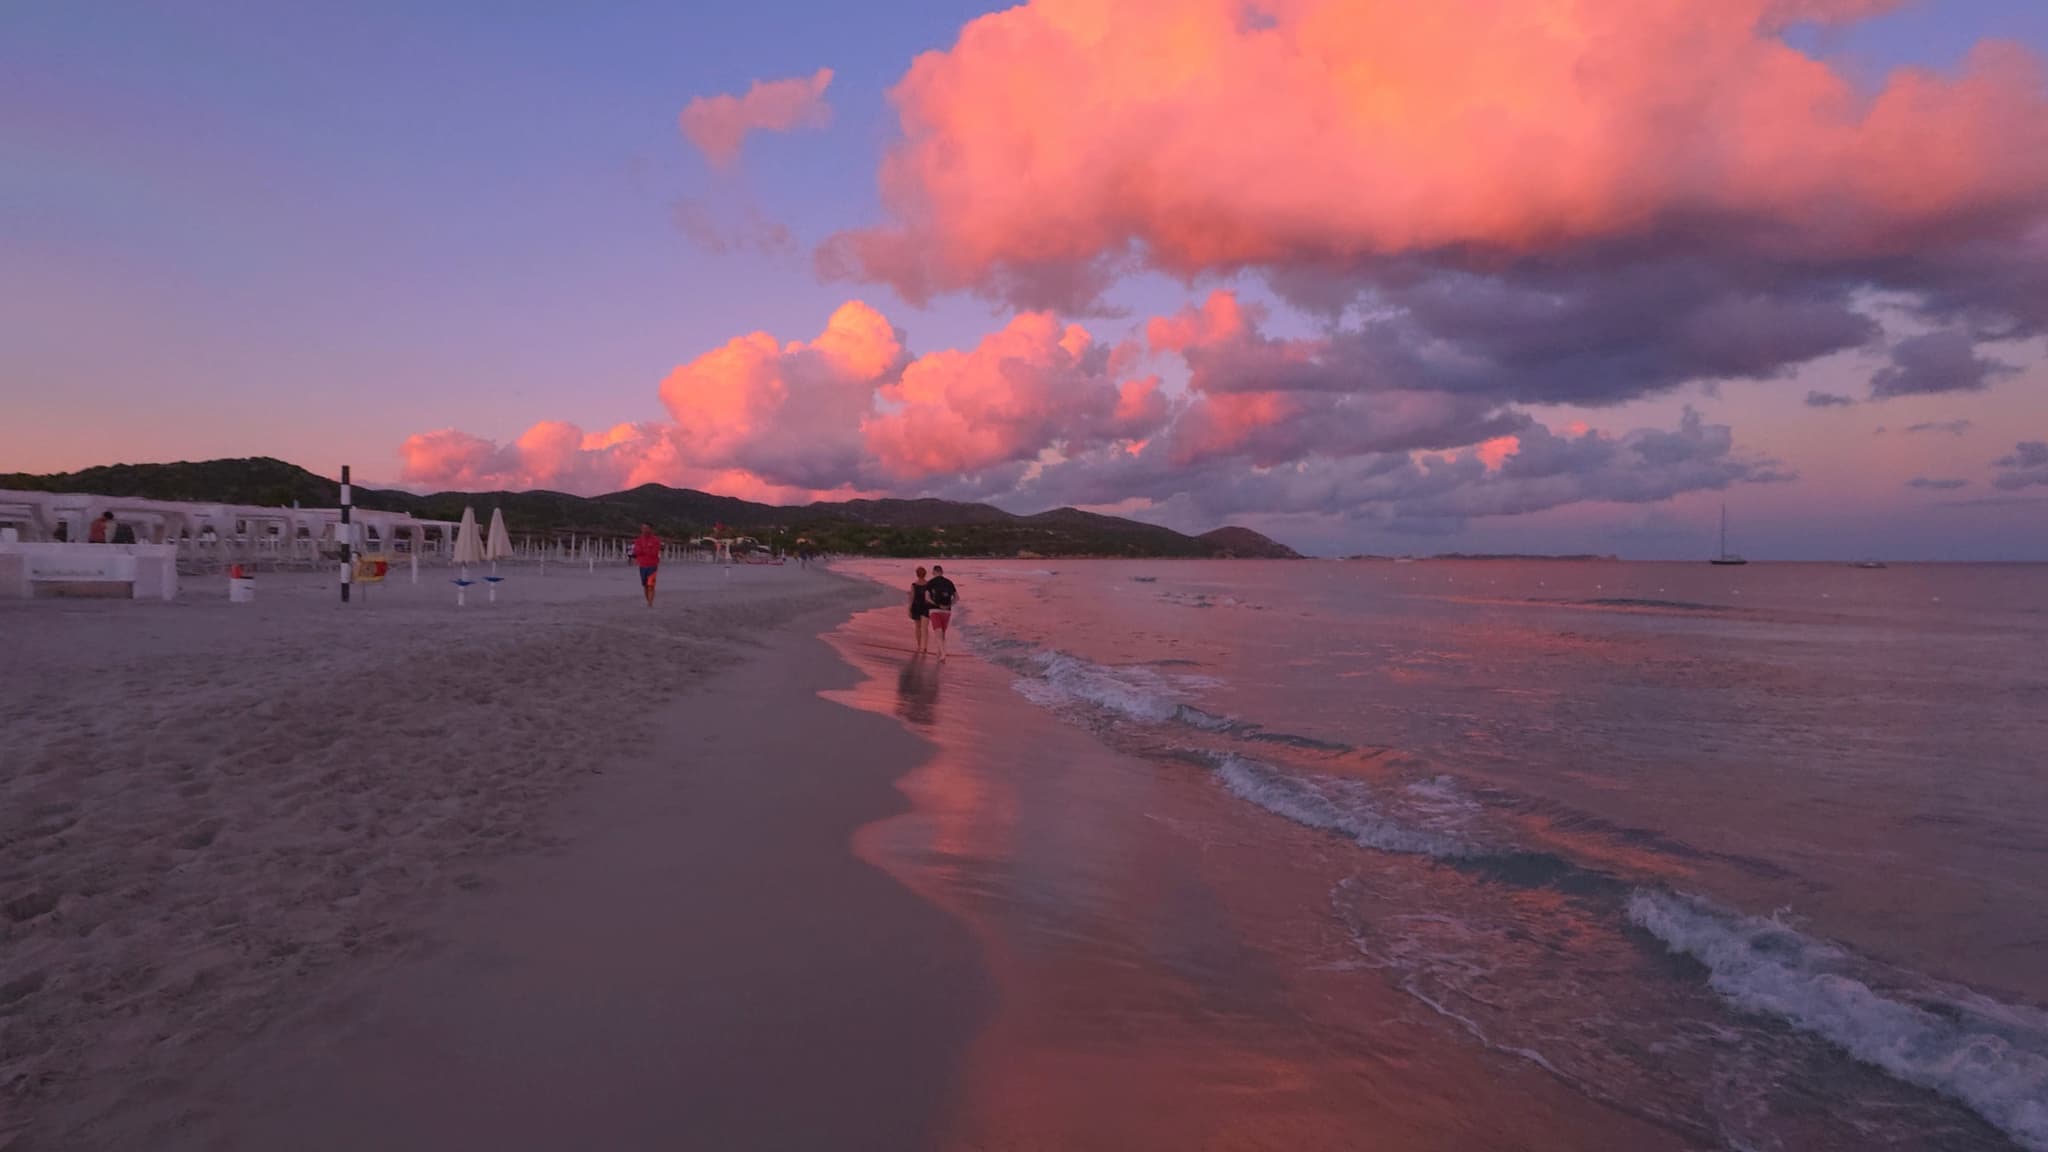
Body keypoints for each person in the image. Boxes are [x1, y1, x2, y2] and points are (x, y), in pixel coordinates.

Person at [925, 564, 958, 661]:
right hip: (947, 612)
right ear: (942, 572)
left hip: (935, 610)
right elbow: (957, 598)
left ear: (934, 572)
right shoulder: (949, 582)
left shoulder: (930, 583)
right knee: (942, 633)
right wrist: (948, 605)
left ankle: (943, 654)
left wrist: (937, 605)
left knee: (937, 633)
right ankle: (939, 652)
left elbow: (927, 598)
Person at [631, 523, 662, 607]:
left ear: (650, 529)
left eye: (646, 528)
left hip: (652, 565)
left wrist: (643, 550)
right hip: (642, 565)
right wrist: (646, 550)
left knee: (651, 585)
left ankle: (650, 603)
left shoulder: (655, 540)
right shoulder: (639, 540)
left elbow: (654, 552)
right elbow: (636, 551)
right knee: (645, 585)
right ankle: (648, 600)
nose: (644, 530)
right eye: (643, 528)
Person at [909, 566, 932, 653]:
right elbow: (930, 597)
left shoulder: (914, 585)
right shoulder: (929, 585)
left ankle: (919, 645)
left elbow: (912, 597)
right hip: (926, 607)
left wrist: (909, 608)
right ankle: (924, 646)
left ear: (917, 574)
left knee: (918, 627)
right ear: (925, 574)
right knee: (925, 628)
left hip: (916, 606)